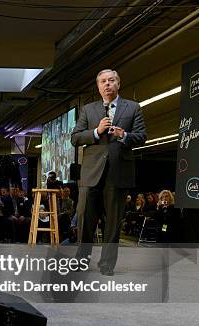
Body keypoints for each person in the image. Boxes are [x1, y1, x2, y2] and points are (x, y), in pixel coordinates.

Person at [71, 69, 146, 275]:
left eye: (111, 80)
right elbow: (75, 138)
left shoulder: (133, 108)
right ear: (98, 86)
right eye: (103, 81)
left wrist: (124, 135)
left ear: (118, 84)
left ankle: (106, 264)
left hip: (118, 172)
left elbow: (141, 137)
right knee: (85, 219)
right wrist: (96, 131)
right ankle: (81, 260)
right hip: (91, 173)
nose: (107, 84)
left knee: (112, 223)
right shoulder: (88, 109)